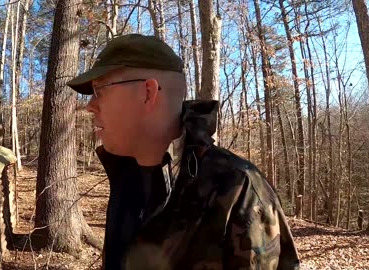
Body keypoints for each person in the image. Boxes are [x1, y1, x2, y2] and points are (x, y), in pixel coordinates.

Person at [67, 34, 300, 270]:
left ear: (148, 92)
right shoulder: (126, 177)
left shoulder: (238, 189)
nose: (90, 105)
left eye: (99, 90)